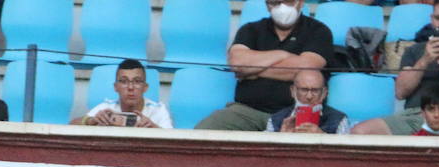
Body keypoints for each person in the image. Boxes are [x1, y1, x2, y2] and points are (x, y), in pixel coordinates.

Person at [353, 0, 439, 135]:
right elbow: (400, 92)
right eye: (438, 18)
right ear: (431, 19)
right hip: (414, 115)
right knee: (360, 132)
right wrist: (424, 61)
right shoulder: (414, 51)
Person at [195, 0, 333, 131]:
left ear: (301, 2)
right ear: (267, 5)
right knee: (203, 131)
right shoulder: (251, 29)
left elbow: (307, 68)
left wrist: (252, 71)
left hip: (297, 112)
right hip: (248, 111)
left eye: (287, 1)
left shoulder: (318, 31)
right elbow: (237, 62)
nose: (281, 7)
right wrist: (282, 54)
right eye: (275, 2)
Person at [71, 58, 172, 128]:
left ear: (145, 87)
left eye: (137, 81)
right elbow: (71, 125)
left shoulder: (158, 110)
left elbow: (173, 141)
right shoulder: (107, 108)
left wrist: (154, 128)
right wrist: (91, 121)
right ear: (116, 87)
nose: (130, 87)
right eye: (124, 81)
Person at [265, 67, 350, 133]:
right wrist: (281, 138)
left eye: (315, 90)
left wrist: (323, 138)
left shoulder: (339, 119)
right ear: (293, 91)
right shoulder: (276, 119)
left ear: (324, 93)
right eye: (304, 90)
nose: (309, 96)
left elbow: (346, 153)